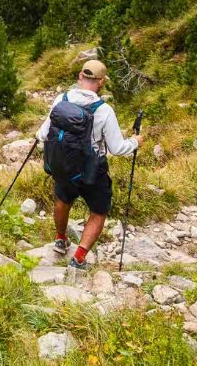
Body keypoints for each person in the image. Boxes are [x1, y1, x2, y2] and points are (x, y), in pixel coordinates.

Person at [35, 59, 143, 269]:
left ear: (80, 76)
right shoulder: (104, 110)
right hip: (93, 170)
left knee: (63, 199)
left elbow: (41, 133)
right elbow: (117, 148)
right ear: (101, 82)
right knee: (99, 211)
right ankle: (79, 258)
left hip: (65, 165)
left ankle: (60, 239)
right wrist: (135, 142)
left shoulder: (61, 99)